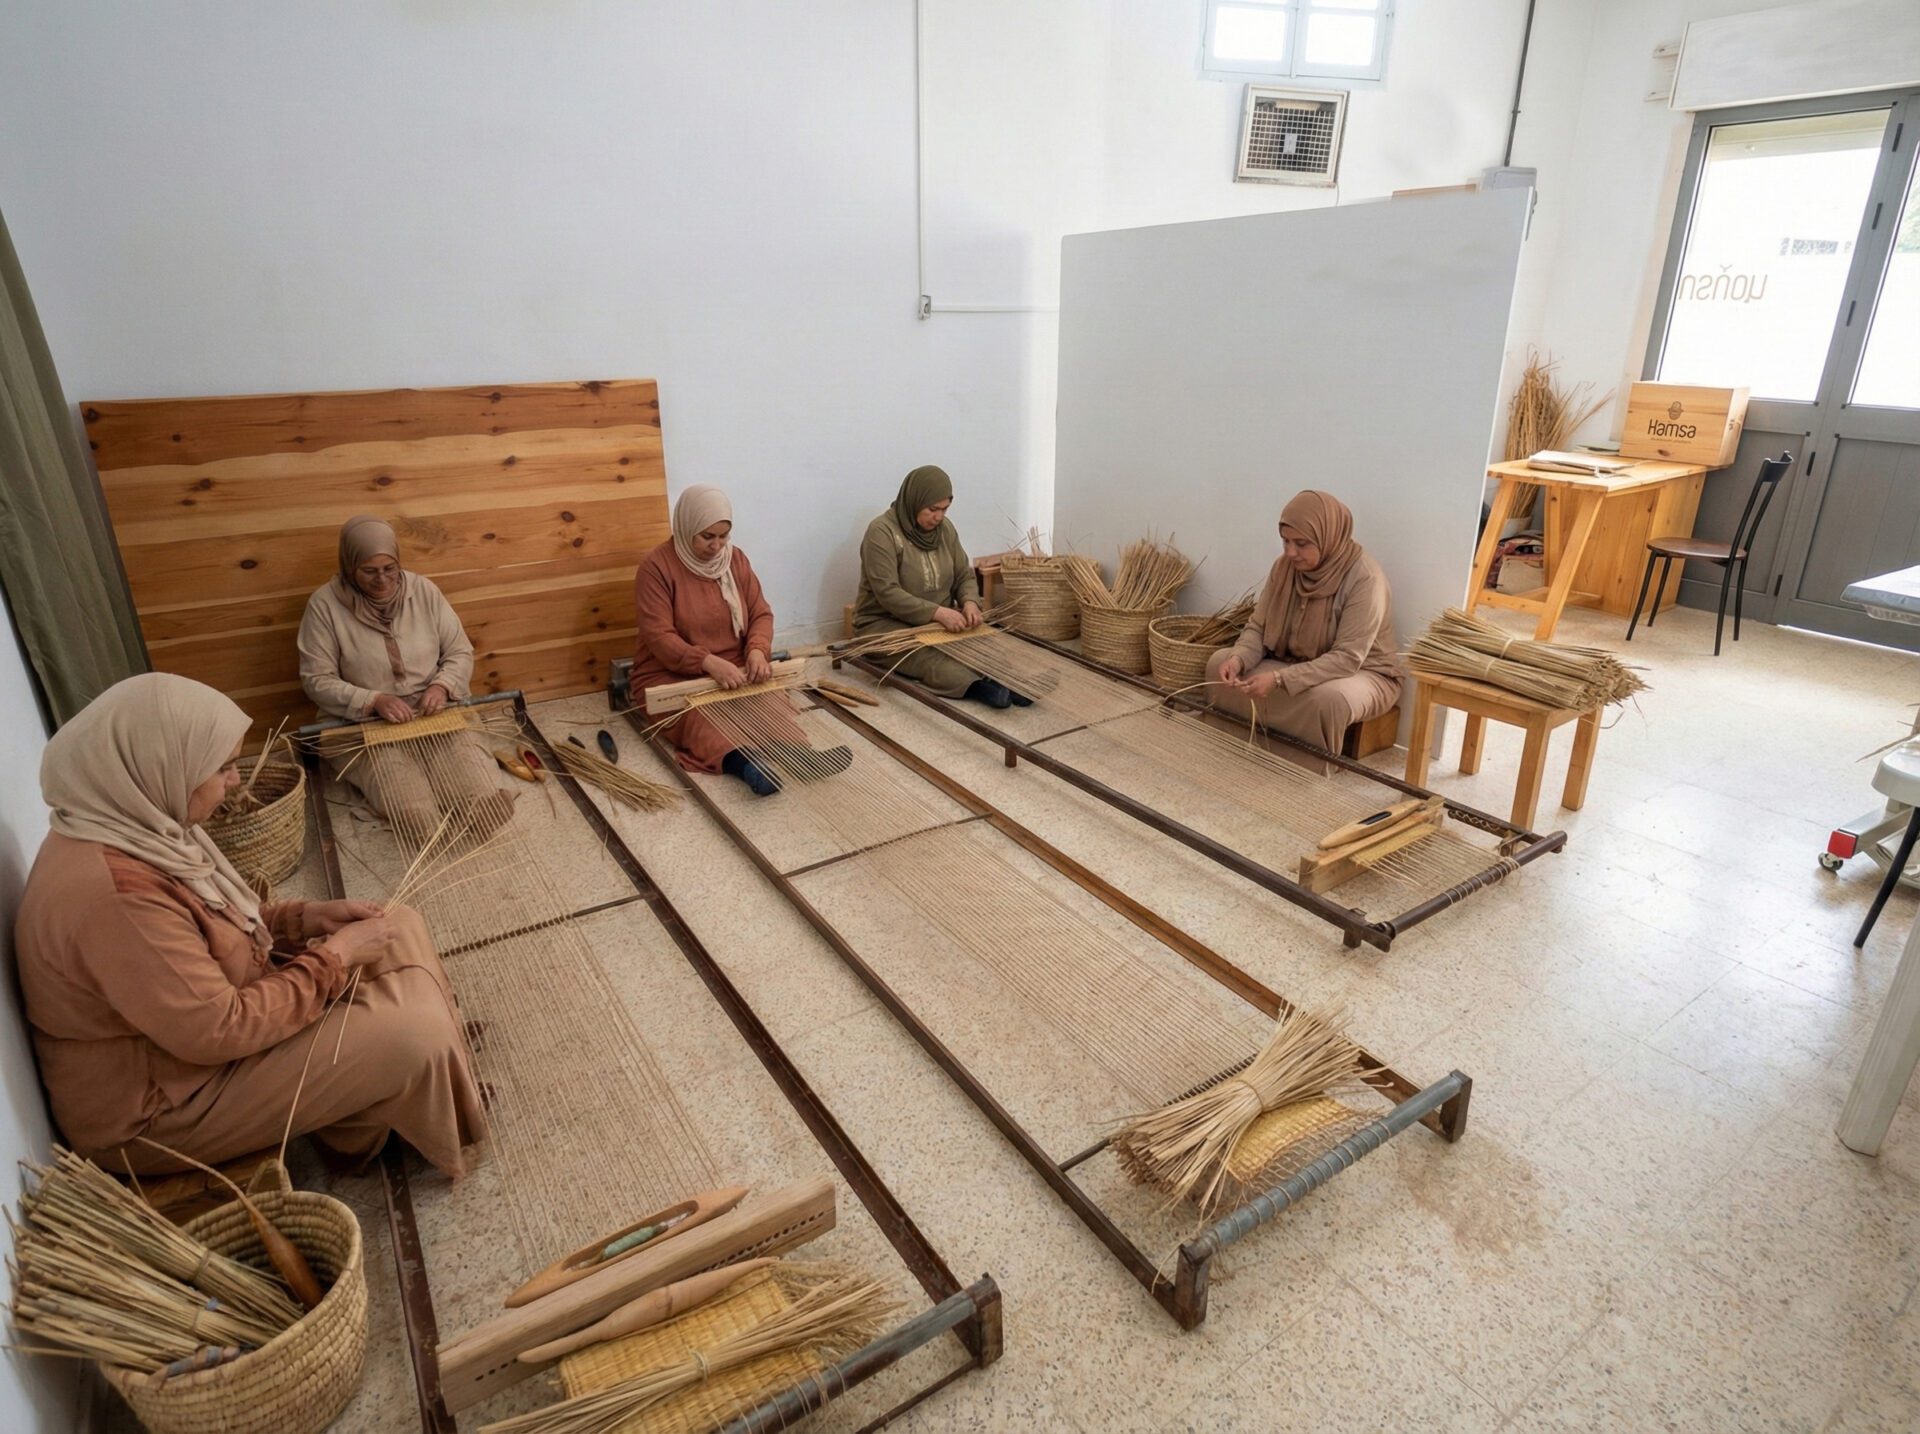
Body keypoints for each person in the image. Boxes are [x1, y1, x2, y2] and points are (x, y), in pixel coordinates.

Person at [13, 673, 486, 1177]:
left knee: (397, 923)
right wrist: (337, 955)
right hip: (163, 1108)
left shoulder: (133, 823)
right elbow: (221, 1030)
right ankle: (399, 1087)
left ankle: (426, 1068)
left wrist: (303, 918)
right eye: (222, 768)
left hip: (191, 1051)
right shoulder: (116, 902)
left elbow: (211, 925)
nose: (236, 781)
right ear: (161, 767)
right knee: (412, 1034)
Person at [297, 514, 509, 839]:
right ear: (349, 566)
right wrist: (373, 700)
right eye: (369, 571)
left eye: (389, 568)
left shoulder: (423, 591)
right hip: (364, 724)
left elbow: (459, 651)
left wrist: (442, 686)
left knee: (479, 790)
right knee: (413, 809)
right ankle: (421, 818)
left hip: (433, 712)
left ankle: (475, 804)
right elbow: (317, 679)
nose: (382, 580)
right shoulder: (324, 605)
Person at [634, 485, 847, 796]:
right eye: (707, 537)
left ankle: (802, 757)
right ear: (686, 527)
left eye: (724, 536)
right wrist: (707, 662)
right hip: (671, 672)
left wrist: (758, 651)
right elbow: (658, 636)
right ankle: (747, 766)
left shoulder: (735, 561)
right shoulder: (656, 568)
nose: (717, 546)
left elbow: (760, 613)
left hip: (734, 665)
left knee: (768, 704)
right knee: (701, 717)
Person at [1205, 490, 1401, 756]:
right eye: (1285, 541)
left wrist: (1279, 679)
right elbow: (1258, 627)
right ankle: (1231, 752)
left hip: (1361, 672)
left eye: (1301, 543)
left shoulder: (1365, 578)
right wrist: (1238, 659)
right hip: (1294, 661)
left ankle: (1299, 771)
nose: (1290, 552)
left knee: (1326, 700)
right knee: (1218, 662)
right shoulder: (1284, 567)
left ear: (1328, 537)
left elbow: (1347, 658)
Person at [852, 465, 1028, 708]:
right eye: (932, 509)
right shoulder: (881, 532)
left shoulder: (945, 530)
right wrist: (938, 613)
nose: (938, 517)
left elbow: (963, 575)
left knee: (985, 646)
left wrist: (969, 602)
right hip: (885, 624)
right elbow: (887, 593)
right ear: (913, 501)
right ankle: (978, 688)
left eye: (944, 509)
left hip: (937, 622)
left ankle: (1011, 682)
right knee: (931, 657)